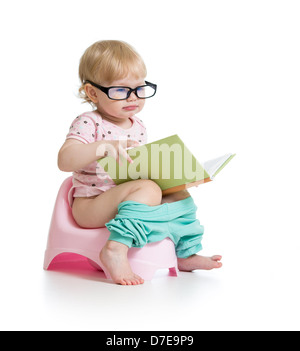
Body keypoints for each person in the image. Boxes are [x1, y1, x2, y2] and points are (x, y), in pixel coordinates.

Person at [58, 40, 222, 285]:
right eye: (120, 91)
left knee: (179, 194)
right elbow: (64, 160)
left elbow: (139, 169)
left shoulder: (138, 125)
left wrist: (176, 179)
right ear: (93, 92)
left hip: (127, 197)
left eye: (139, 88)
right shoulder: (89, 122)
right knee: (147, 189)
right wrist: (103, 148)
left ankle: (185, 253)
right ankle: (114, 248)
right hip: (91, 205)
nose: (132, 98)